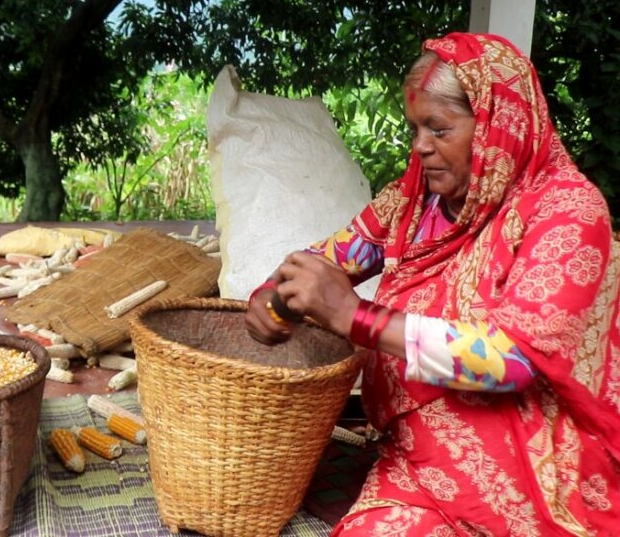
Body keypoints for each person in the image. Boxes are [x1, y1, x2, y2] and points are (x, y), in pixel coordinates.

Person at [246, 32, 620, 534]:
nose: (420, 146)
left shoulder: (567, 211)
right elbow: (324, 260)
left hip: (538, 468)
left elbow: (513, 360)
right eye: (415, 128)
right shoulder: (411, 204)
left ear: (495, 126)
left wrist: (355, 316)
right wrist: (272, 296)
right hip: (418, 466)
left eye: (439, 129)